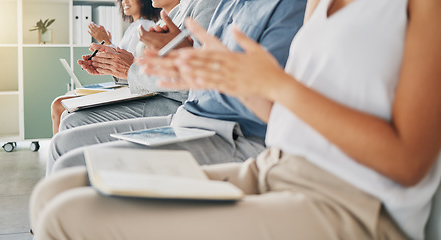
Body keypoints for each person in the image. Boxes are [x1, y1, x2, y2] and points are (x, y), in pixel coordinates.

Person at [31, 0, 441, 239]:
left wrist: (277, 85)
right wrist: (213, 73)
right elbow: (286, 116)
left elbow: (408, 163)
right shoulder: (318, 4)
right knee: (56, 190)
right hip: (274, 166)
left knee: (64, 216)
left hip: (350, 202)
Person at [45, 0, 307, 176]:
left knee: (68, 149)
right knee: (65, 142)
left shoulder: (285, 7)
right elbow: (196, 75)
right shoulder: (226, 4)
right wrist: (169, 59)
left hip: (225, 128)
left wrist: (165, 63)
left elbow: (260, 94)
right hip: (190, 114)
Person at [56, 0, 216, 132]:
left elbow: (191, 82)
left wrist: (130, 68)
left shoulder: (202, 9)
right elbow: (142, 68)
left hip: (174, 103)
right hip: (155, 94)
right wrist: (113, 65)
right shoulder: (170, 18)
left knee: (71, 121)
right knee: (66, 115)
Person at [50, 0, 161, 135]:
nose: (125, 1)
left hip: (132, 90)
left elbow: (130, 64)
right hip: (128, 86)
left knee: (58, 105)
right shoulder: (133, 27)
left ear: (143, 2)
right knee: (64, 102)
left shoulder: (144, 26)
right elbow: (124, 61)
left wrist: (107, 42)